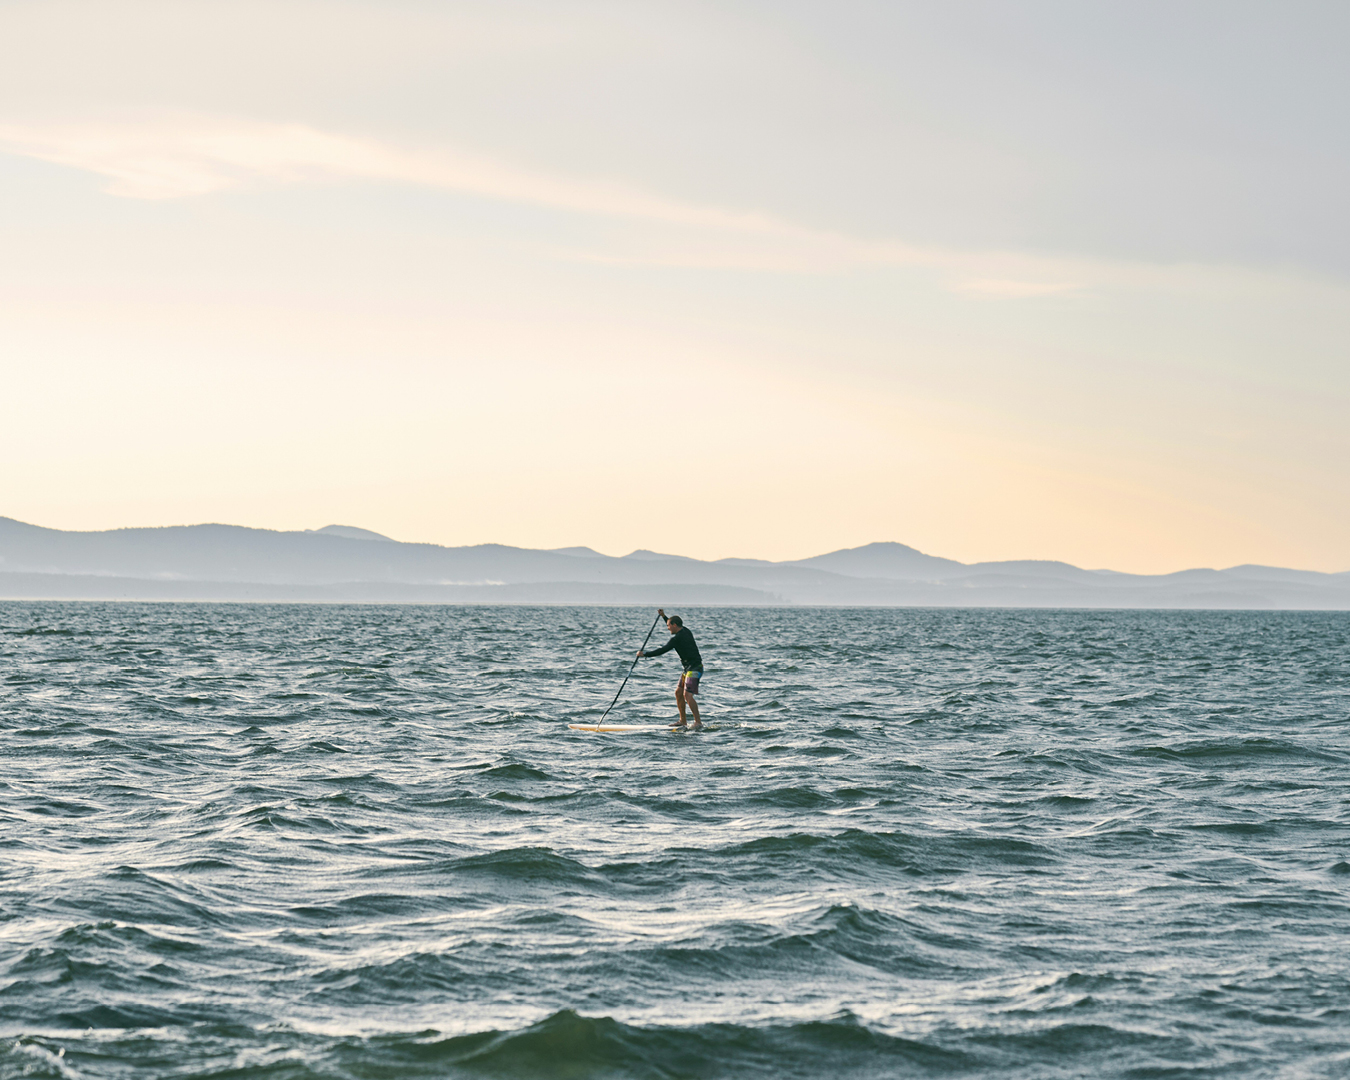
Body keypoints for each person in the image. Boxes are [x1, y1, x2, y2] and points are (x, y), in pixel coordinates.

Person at [638, 608, 705, 729]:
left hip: (695, 668)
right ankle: (683, 721)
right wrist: (664, 617)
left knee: (687, 695)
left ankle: (698, 722)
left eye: (669, 626)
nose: (667, 628)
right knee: (678, 693)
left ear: (674, 625)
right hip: (687, 669)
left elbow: (662, 650)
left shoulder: (676, 639)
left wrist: (645, 654)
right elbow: (671, 623)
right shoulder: (686, 630)